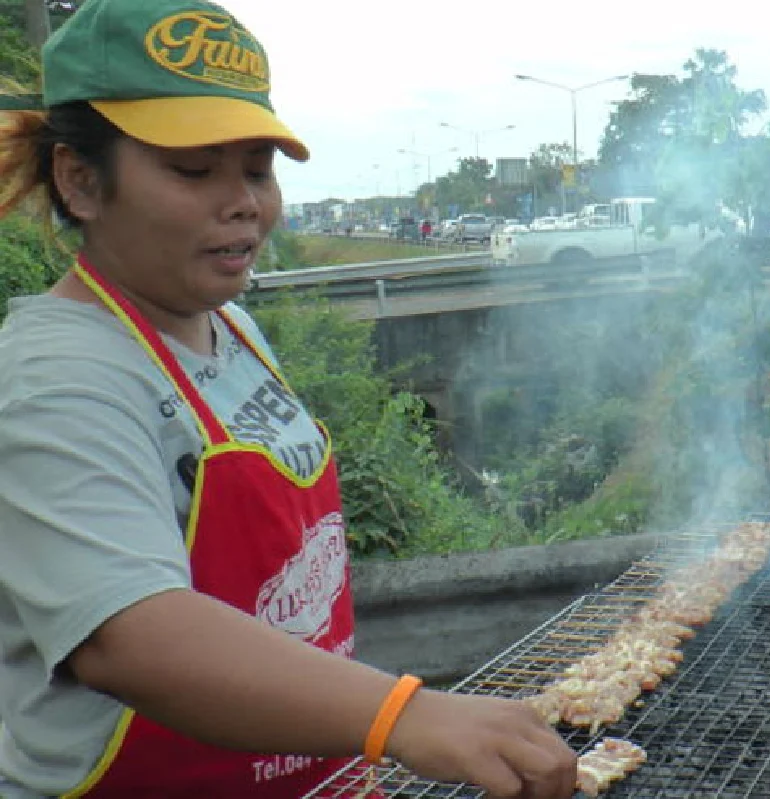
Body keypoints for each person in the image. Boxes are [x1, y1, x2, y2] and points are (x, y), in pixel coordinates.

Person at [0, 1, 577, 797]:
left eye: (258, 167)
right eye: (194, 169)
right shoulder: (54, 378)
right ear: (80, 179)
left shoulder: (231, 328)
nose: (244, 202)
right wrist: (400, 715)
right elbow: (132, 635)